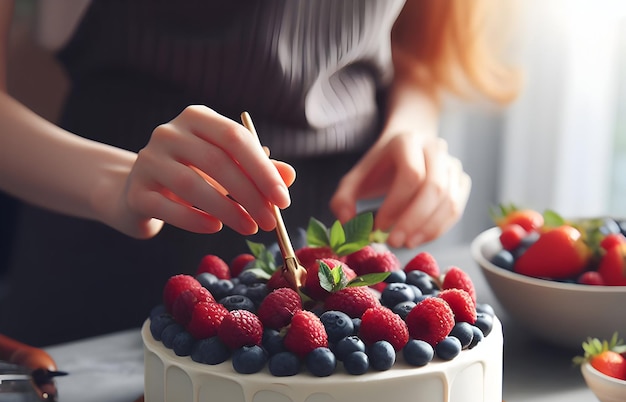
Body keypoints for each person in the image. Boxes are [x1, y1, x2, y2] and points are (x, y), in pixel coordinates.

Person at [0, 0, 519, 346]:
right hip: (100, 266)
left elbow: (418, 44)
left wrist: (413, 129)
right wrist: (116, 180)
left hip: (336, 251)